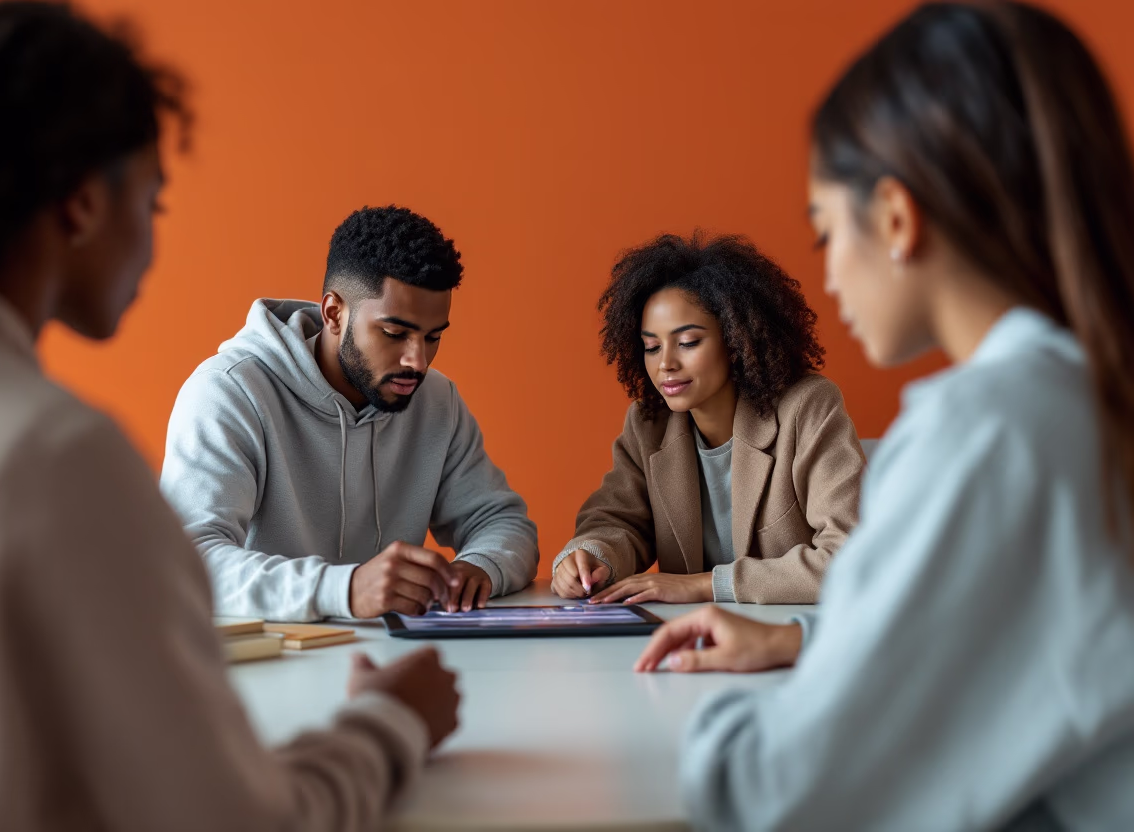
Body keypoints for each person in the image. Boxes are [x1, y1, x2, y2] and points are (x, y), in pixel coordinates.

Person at [0, 4, 460, 830]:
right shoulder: (57, 458)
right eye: (154, 202)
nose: (153, 240)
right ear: (81, 204)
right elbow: (239, 823)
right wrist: (392, 722)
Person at [636, 2, 1134, 829]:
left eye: (826, 232)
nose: (829, 276)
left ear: (898, 219)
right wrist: (808, 644)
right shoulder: (1086, 396)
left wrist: (701, 735)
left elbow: (782, 793)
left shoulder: (982, 430)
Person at [160, 205, 539, 621]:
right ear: (334, 313)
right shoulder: (230, 391)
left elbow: (504, 522)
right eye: (394, 333)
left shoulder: (436, 400)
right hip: (271, 653)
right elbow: (186, 560)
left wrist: (479, 568)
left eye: (433, 337)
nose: (418, 361)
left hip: (395, 651)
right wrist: (345, 588)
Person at [552, 233, 865, 605]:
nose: (665, 363)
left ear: (736, 339)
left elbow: (853, 558)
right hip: (690, 634)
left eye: (688, 342)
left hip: (792, 632)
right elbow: (617, 519)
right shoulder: (648, 423)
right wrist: (590, 556)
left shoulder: (807, 407)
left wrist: (706, 585)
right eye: (651, 347)